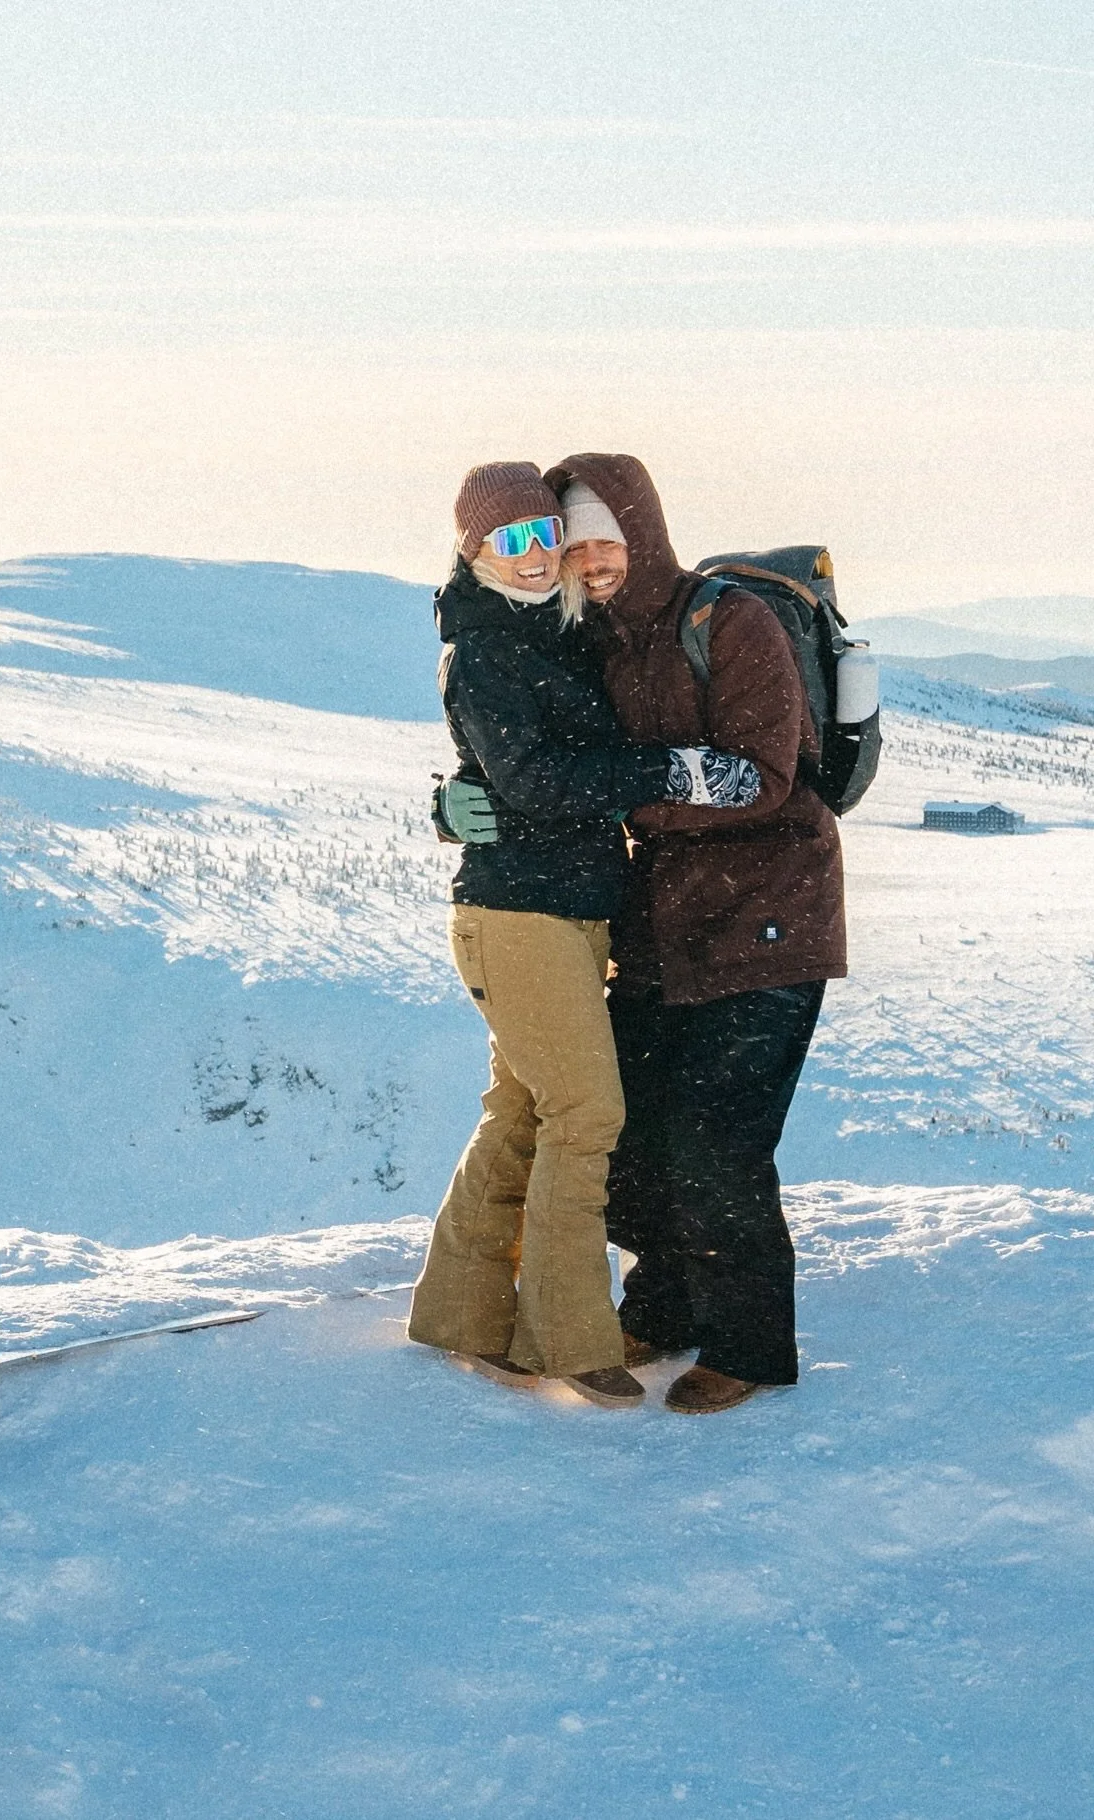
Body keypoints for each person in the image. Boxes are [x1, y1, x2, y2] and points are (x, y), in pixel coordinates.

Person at [406, 461, 760, 1408]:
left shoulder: (556, 630)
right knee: (586, 1114)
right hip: (516, 913)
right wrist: (672, 773)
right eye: (510, 539)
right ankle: (563, 1336)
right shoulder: (483, 648)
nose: (533, 556)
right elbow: (532, 779)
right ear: (472, 548)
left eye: (543, 536)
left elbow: (512, 770)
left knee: (522, 1112)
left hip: (567, 909)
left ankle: (461, 1313)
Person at [545, 454, 848, 1415]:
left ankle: (747, 1345)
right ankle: (664, 1304)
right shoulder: (589, 640)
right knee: (632, 1141)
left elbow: (759, 775)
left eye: (606, 537)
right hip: (662, 929)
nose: (592, 560)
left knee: (716, 1146)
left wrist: (627, 782)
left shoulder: (730, 622)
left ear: (643, 530)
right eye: (574, 544)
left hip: (769, 919)